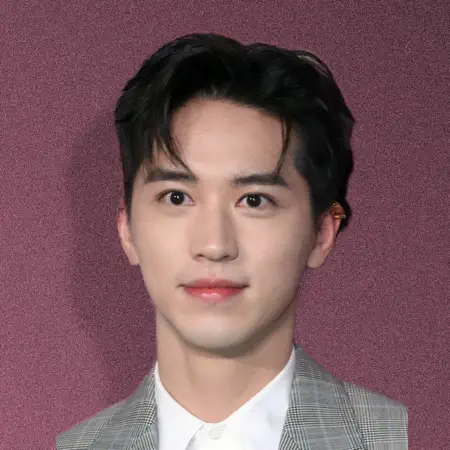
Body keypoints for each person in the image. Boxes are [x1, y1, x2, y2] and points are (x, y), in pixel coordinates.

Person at [57, 33, 408, 449]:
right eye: (177, 197)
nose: (215, 245)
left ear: (322, 232)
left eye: (254, 200)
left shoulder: (396, 436)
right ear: (127, 229)